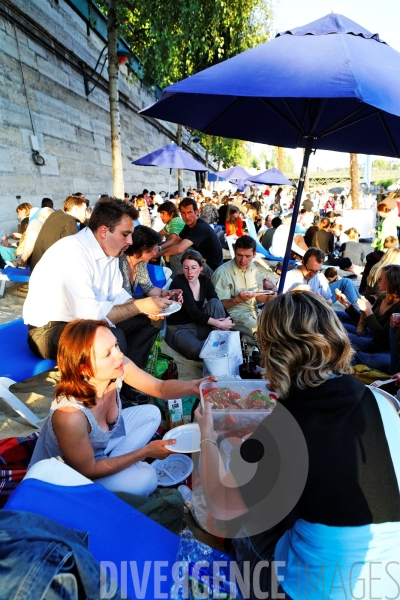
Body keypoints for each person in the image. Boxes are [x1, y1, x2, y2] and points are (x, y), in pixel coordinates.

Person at [195, 291, 400, 600]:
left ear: (273, 353)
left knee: (243, 527)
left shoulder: (282, 428)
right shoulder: (382, 400)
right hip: (391, 580)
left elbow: (220, 505)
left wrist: (206, 434)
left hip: (320, 590)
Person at [29, 319, 211, 496]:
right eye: (107, 353)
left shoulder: (115, 369)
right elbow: (89, 470)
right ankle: (117, 470)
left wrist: (193, 386)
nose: (119, 354)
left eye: (115, 345)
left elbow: (160, 388)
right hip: (67, 477)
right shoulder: (70, 415)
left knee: (151, 413)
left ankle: (115, 463)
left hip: (98, 451)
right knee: (147, 479)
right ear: (83, 369)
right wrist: (145, 452)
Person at [23, 198, 170, 371]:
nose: (130, 241)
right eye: (125, 234)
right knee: (111, 339)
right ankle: (110, 391)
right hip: (47, 331)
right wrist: (139, 305)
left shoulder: (110, 252)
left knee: (150, 320)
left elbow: (117, 294)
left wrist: (148, 308)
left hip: (80, 321)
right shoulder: (72, 253)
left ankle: (129, 384)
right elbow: (88, 315)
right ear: (103, 232)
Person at [166, 250, 233, 359]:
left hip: (198, 324)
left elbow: (215, 301)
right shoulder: (178, 282)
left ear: (201, 268)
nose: (189, 272)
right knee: (198, 350)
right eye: (185, 267)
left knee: (215, 303)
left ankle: (224, 337)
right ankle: (219, 341)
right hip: (180, 328)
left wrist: (229, 321)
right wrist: (219, 324)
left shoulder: (205, 280)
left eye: (193, 267)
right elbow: (192, 311)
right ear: (182, 267)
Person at [336, 264, 400, 371]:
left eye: (381, 279)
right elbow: (365, 322)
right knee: (337, 334)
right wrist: (347, 304)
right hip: (372, 342)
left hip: (386, 353)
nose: (378, 281)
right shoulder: (383, 297)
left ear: (391, 282)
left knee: (351, 357)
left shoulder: (398, 307)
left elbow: (382, 338)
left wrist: (368, 311)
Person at [212, 236, 273, 344]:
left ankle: (242, 340)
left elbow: (257, 296)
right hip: (235, 316)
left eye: (248, 256)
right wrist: (238, 299)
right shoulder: (222, 273)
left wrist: (269, 298)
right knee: (265, 336)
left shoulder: (253, 268)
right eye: (239, 255)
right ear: (234, 252)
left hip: (254, 312)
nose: (243, 260)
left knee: (276, 330)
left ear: (254, 255)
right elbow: (218, 307)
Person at [155, 198, 223, 277]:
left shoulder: (200, 227)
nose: (186, 216)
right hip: (202, 260)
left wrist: (157, 254)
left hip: (212, 270)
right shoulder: (190, 225)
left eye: (189, 212)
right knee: (169, 248)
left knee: (177, 256)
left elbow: (179, 248)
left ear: (196, 212)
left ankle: (179, 284)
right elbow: (175, 241)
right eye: (183, 213)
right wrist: (159, 248)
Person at [30, 195, 88, 271]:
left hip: (36, 268)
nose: (86, 213)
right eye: (84, 210)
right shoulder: (69, 221)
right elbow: (73, 252)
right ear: (76, 209)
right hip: (49, 272)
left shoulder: (55, 215)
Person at [119, 225, 172, 299]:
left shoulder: (141, 262)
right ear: (142, 248)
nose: (155, 253)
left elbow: (148, 288)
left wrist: (169, 293)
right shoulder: (120, 262)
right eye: (153, 249)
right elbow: (123, 298)